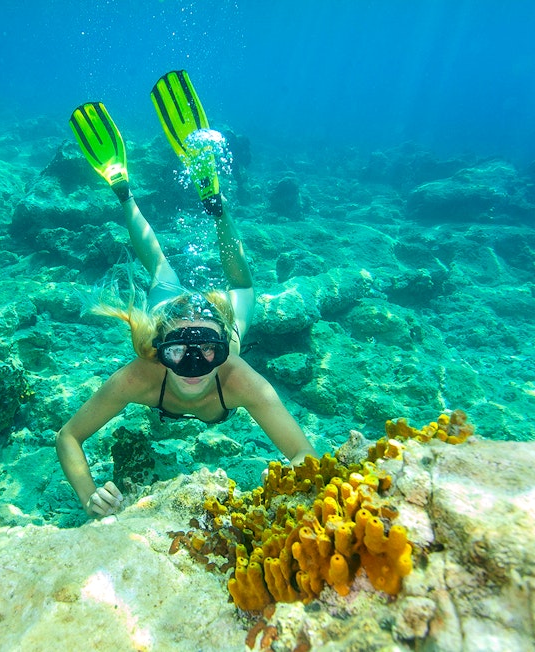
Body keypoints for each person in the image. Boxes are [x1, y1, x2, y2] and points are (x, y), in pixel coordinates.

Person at [57, 71, 316, 517]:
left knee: (238, 289)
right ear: (158, 349)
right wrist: (88, 495)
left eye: (208, 353)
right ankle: (123, 192)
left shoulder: (240, 378)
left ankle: (215, 203)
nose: (195, 365)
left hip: (217, 325)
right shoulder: (140, 375)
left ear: (222, 352)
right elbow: (69, 437)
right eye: (179, 352)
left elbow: (305, 461)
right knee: (162, 269)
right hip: (171, 313)